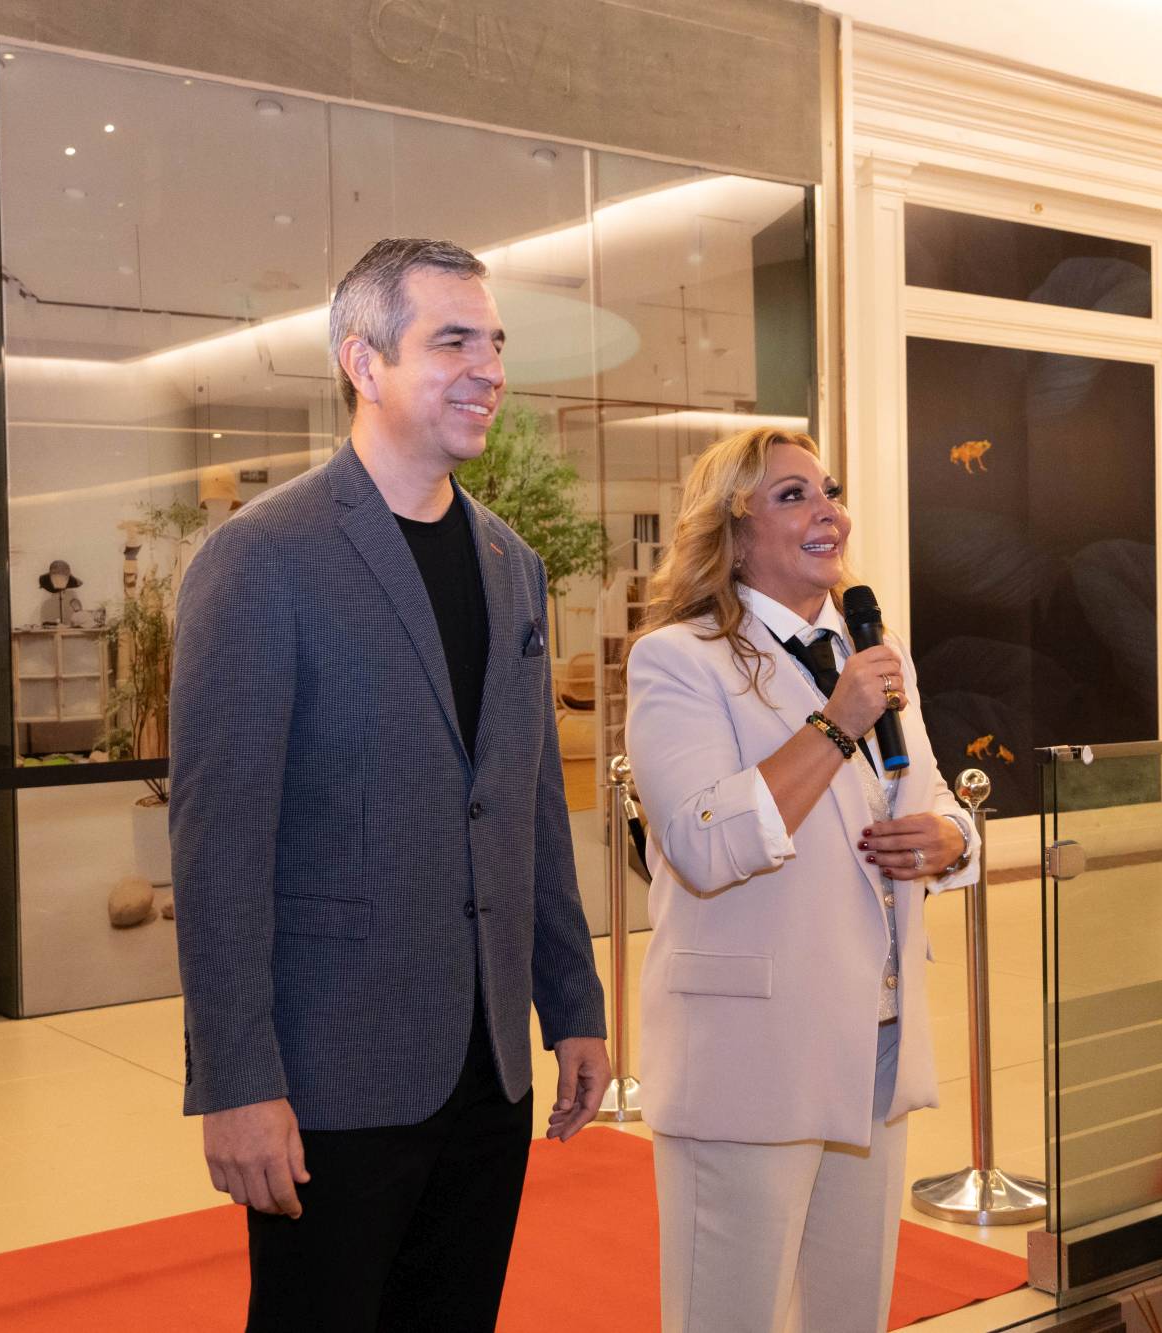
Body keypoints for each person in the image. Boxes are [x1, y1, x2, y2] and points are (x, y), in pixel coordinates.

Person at [169, 236, 610, 1332]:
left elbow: (526, 811)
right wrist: (236, 1079)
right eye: (453, 341)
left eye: (494, 343)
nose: (489, 370)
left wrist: (573, 1002)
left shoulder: (512, 567)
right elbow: (219, 848)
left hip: (488, 1069)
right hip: (332, 1074)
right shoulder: (262, 558)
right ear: (363, 362)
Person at [624, 426, 982, 1333]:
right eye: (794, 496)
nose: (829, 513)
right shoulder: (678, 659)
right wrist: (833, 724)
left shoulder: (872, 651)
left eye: (831, 491)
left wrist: (949, 840)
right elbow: (701, 842)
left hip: (875, 1045)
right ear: (734, 530)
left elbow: (934, 796)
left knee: (850, 1315)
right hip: (748, 1055)